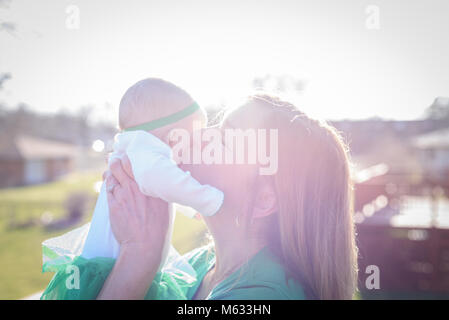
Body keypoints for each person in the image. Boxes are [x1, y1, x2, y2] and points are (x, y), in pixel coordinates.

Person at [41, 93, 358, 300]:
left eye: (225, 138)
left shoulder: (263, 295)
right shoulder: (199, 264)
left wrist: (138, 256)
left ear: (263, 200)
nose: (202, 135)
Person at [81, 78, 224, 265]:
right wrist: (212, 201)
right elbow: (169, 182)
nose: (193, 150)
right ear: (172, 137)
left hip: (115, 261)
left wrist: (192, 209)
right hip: (111, 267)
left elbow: (162, 188)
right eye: (190, 141)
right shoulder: (144, 154)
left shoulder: (136, 153)